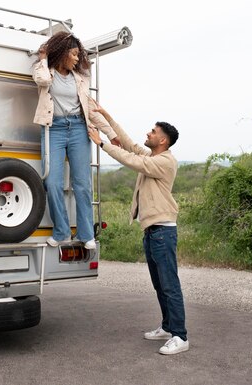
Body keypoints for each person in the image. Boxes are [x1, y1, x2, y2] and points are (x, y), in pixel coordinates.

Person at [86, 104, 189, 355]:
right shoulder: (154, 156)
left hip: (163, 231)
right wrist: (106, 116)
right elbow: (130, 145)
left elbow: (129, 158)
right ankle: (167, 327)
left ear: (162, 140)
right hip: (152, 231)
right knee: (159, 284)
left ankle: (180, 336)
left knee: (170, 285)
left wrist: (102, 144)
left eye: (153, 132)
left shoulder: (165, 162)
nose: (148, 133)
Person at [32, 31, 120, 249]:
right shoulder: (46, 71)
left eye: (78, 55)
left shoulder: (80, 79)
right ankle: (61, 231)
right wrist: (43, 58)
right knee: (52, 183)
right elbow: (41, 80)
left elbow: (90, 109)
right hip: (54, 129)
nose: (77, 59)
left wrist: (111, 133)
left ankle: (86, 233)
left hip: (79, 128)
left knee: (82, 184)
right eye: (73, 54)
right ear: (62, 53)